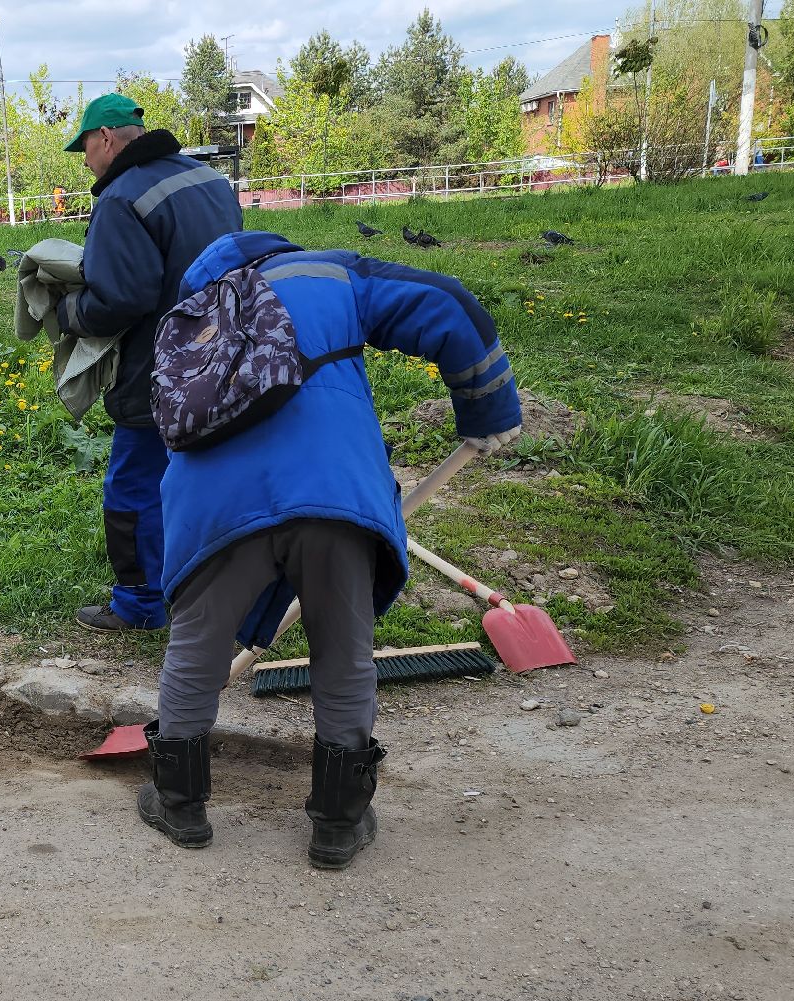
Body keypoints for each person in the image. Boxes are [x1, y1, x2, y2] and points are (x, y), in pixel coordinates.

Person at [137, 230, 523, 870]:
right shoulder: (328, 276)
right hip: (331, 490)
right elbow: (446, 305)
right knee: (344, 651)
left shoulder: (190, 315)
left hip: (212, 507)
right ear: (274, 250)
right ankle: (338, 822)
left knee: (198, 646)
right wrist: (488, 407)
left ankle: (178, 800)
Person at [60, 93, 242, 633]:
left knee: (135, 483)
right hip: (228, 348)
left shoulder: (120, 198)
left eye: (86, 148)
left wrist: (68, 310)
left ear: (107, 139)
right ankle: (222, 585)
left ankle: (141, 603)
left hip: (159, 365)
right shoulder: (208, 180)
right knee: (209, 472)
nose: (86, 160)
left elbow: (123, 298)